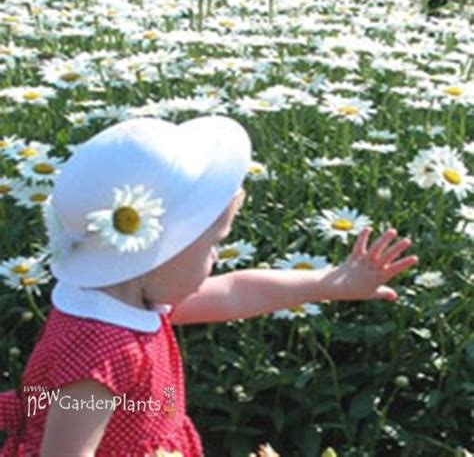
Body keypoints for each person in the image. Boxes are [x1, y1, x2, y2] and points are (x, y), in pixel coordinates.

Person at [0, 115, 418, 456]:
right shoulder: (100, 349)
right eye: (213, 245)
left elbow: (238, 292)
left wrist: (331, 282)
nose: (217, 258)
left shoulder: (125, 299)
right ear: (156, 254)